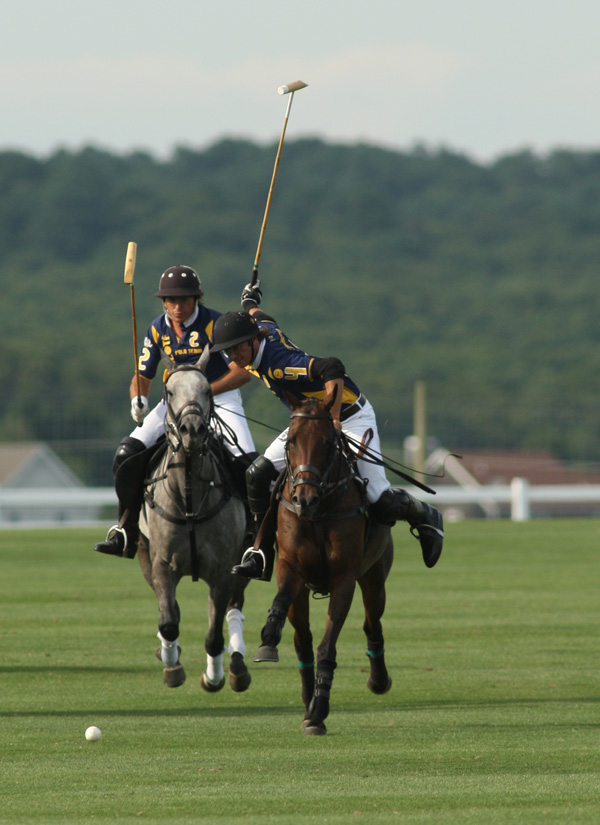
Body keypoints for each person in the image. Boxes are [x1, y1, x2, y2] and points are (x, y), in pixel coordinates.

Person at [209, 282, 444, 581]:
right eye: (227, 351)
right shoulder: (259, 334)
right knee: (257, 474)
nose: (232, 357)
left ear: (254, 341)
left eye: (236, 348)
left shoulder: (280, 365)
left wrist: (333, 418)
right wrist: (249, 301)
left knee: (380, 500)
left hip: (350, 415)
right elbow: (263, 317)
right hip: (309, 420)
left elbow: (332, 367)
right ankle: (260, 550)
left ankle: (426, 516)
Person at [94, 265, 256, 558]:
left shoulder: (214, 324)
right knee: (125, 453)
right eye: (170, 300)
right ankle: (126, 527)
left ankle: (253, 536)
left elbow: (242, 371)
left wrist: (203, 392)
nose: (177, 306)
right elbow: (142, 377)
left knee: (248, 463)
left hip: (220, 397)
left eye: (184, 300)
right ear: (163, 302)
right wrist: (138, 399)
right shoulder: (157, 328)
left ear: (196, 299)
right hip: (173, 402)